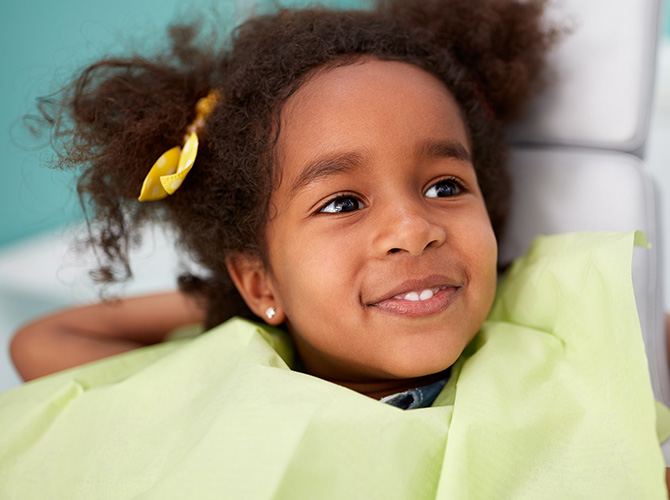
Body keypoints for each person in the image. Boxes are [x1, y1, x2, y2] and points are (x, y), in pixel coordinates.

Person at [2, 0, 668, 498]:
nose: (414, 229)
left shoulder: (550, 319)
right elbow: (46, 340)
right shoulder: (231, 374)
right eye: (343, 203)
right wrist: (240, 300)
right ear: (259, 283)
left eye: (444, 186)